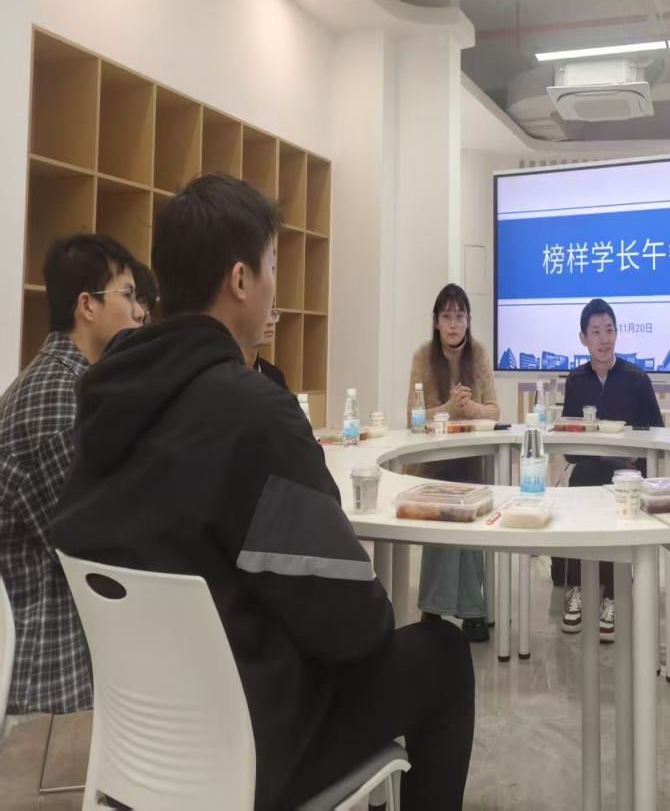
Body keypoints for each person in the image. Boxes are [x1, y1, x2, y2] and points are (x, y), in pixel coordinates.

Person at [50, 174, 474, 810]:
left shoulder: (104, 399)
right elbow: (355, 626)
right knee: (443, 654)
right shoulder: (252, 413)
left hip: (142, 750)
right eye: (273, 265)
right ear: (241, 280)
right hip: (251, 745)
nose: (277, 285)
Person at [0, 234, 144, 719]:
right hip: (49, 683)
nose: (139, 312)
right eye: (128, 295)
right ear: (87, 306)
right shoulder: (56, 401)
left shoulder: (70, 385)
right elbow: (98, 542)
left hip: (66, 662)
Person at [558, 298, 663, 641]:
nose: (604, 339)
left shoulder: (637, 379)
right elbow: (570, 447)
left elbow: (656, 436)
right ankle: (576, 587)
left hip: (627, 474)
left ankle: (614, 593)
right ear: (583, 338)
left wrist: (630, 460)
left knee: (621, 484)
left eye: (609, 331)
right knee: (584, 478)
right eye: (596, 332)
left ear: (617, 334)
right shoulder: (576, 380)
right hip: (590, 469)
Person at [405, 284, 499, 642]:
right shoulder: (422, 356)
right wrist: (448, 408)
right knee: (446, 508)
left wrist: (469, 408)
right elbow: (413, 417)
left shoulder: (480, 354)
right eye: (447, 316)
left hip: (472, 462)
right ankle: (441, 606)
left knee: (470, 510)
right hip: (434, 464)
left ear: (468, 320)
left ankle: (469, 609)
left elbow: (494, 411)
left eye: (460, 316)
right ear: (436, 321)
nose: (454, 323)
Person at [244, 306, 288, 390]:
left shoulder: (275, 376)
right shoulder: (222, 375)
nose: (271, 322)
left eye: (272, 311)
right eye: (261, 312)